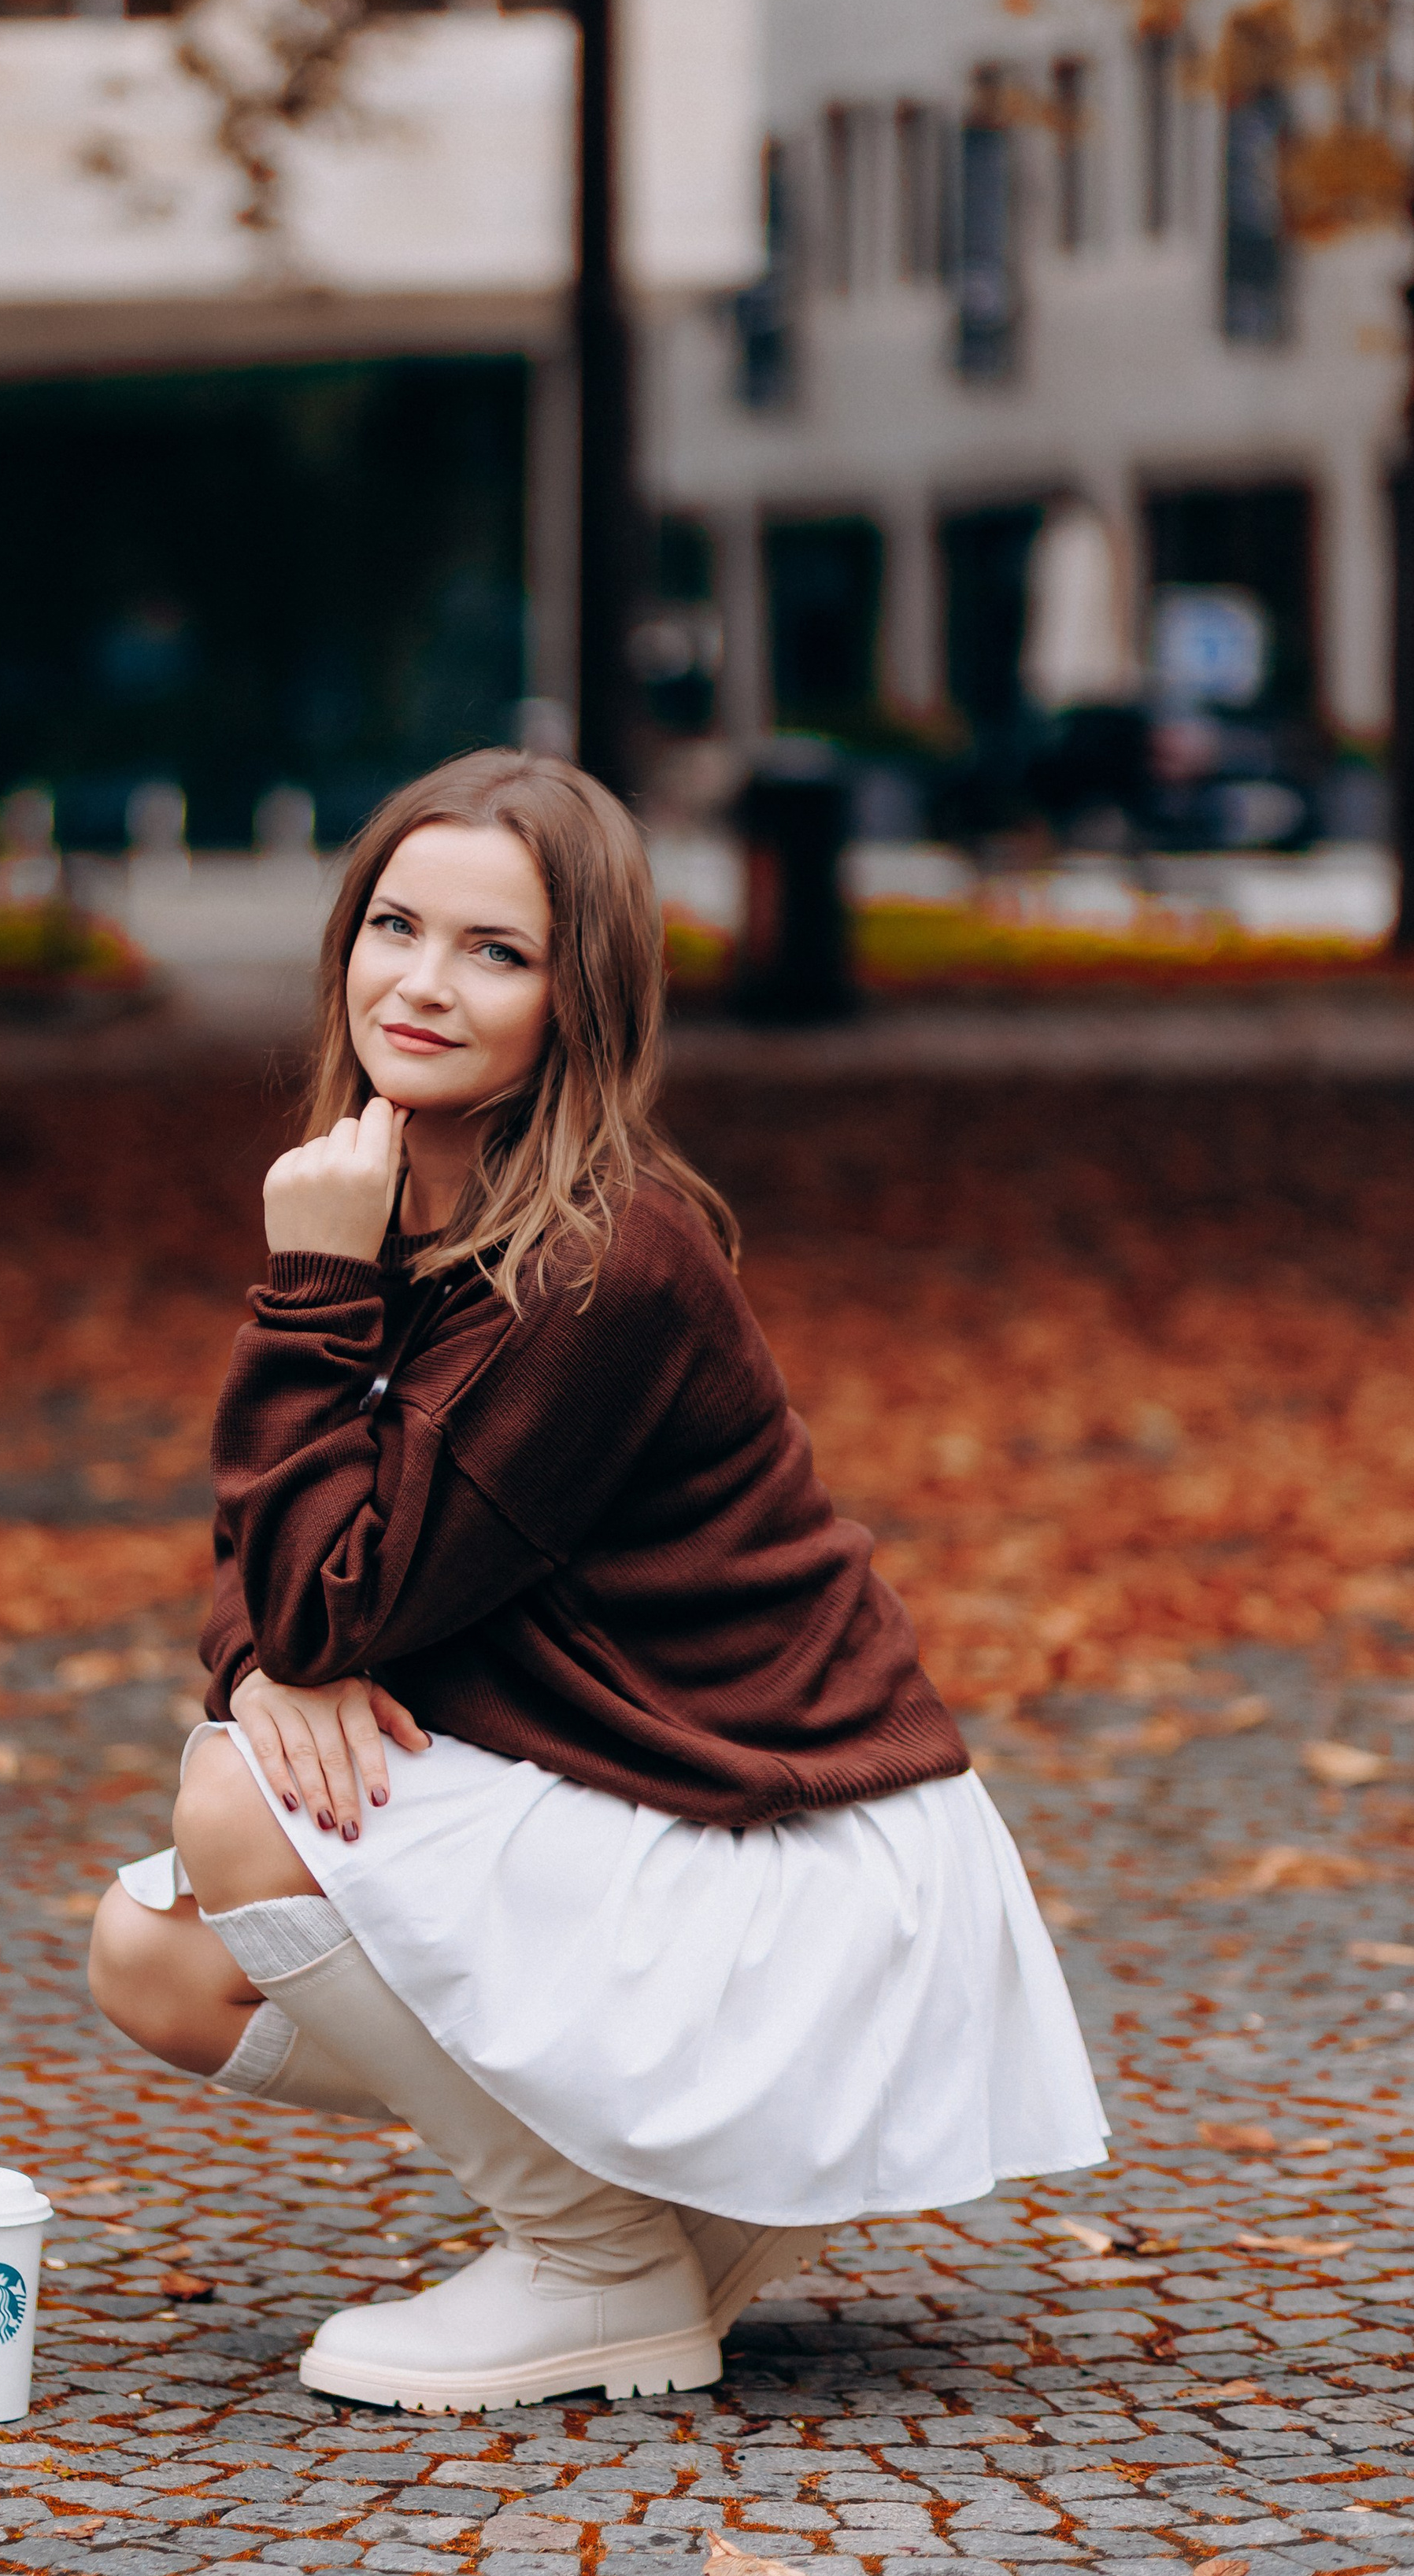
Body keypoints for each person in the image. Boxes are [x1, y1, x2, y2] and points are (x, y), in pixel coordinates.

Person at [89, 748, 1106, 2415]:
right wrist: (268, 1663)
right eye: (394, 925)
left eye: (493, 951)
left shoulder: (593, 1260)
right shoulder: (398, 1195)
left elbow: (331, 1595)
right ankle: (668, 2215)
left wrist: (305, 1310)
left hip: (799, 1867)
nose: (419, 983)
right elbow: (270, 1562)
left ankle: (592, 2263)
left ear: (581, 999)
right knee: (150, 1953)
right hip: (678, 1823)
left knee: (237, 1815)